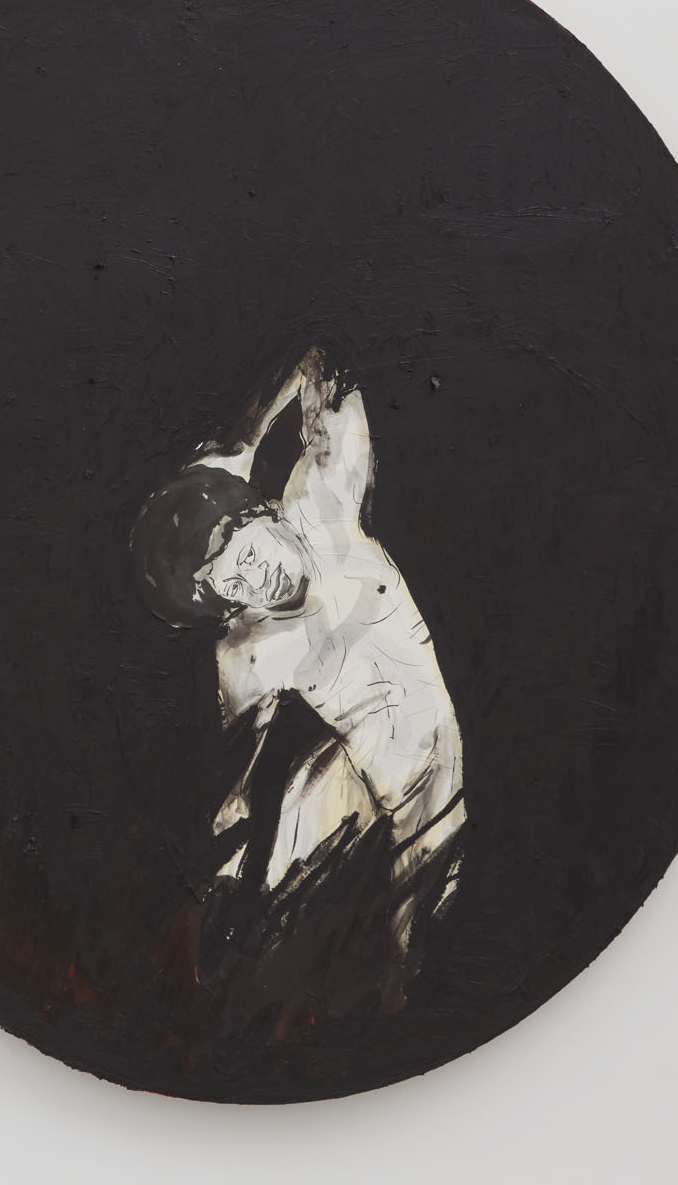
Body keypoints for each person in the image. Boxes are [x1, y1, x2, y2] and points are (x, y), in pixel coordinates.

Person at [130, 350, 466, 1030]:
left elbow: (326, 362)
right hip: (357, 780)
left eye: (251, 555)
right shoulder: (248, 651)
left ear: (261, 512)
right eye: (235, 585)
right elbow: (237, 779)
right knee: (277, 890)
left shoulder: (323, 502)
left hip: (427, 771)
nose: (258, 580)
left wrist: (241, 442)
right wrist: (229, 853)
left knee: (418, 945)